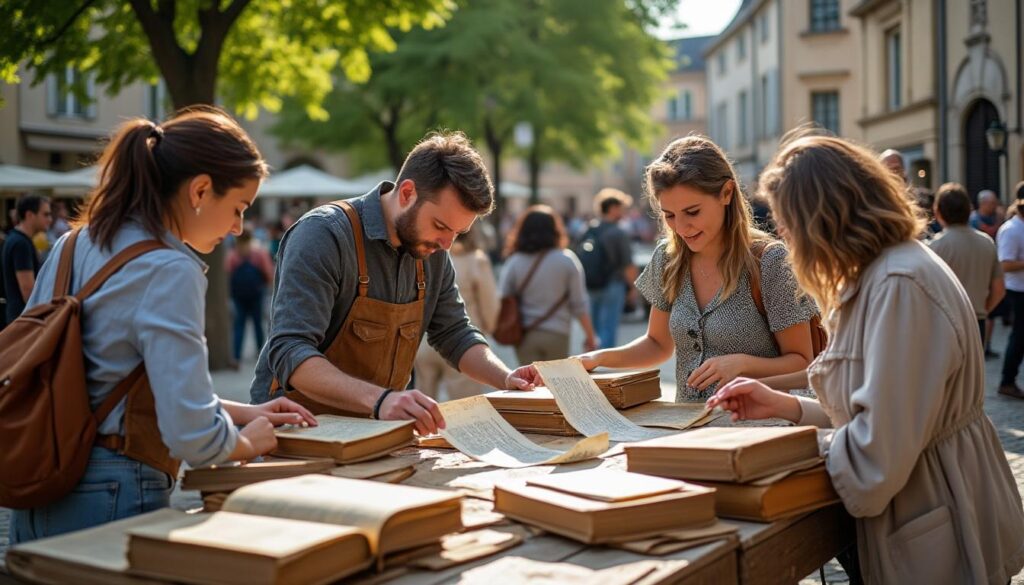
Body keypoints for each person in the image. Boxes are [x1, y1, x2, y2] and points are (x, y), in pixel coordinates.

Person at [707, 134, 1024, 584]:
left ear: (821, 219)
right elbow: (877, 409)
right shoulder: (886, 271)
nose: (785, 238)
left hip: (937, 518)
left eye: (787, 223)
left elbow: (876, 458)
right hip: (932, 506)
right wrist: (787, 406)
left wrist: (785, 451)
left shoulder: (899, 285)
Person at [9, 108, 315, 545]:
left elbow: (111, 382)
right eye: (238, 208)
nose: (237, 228)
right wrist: (247, 441)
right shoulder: (170, 268)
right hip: (114, 487)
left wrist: (245, 412)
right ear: (201, 190)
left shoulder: (71, 243)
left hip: (40, 481)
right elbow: (192, 436)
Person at [249, 132, 539, 435]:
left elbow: (454, 333)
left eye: (457, 233)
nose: (447, 244)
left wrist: (506, 378)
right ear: (407, 193)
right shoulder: (323, 235)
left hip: (376, 431)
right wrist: (380, 400)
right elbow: (290, 349)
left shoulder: (434, 251)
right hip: (297, 431)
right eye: (440, 226)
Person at [577, 135, 818, 402]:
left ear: (726, 193)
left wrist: (742, 364)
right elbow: (657, 344)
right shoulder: (667, 257)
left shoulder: (770, 261)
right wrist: (598, 357)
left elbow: (802, 363)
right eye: (669, 215)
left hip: (758, 422)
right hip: (687, 422)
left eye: (692, 212)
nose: (681, 227)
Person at [500, 205, 598, 363]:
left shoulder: (514, 261)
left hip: (525, 335)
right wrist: (590, 337)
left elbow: (504, 297)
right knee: (556, 378)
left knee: (530, 379)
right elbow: (579, 304)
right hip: (558, 333)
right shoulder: (567, 260)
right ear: (555, 229)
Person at [414, 224, 500, 400]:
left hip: (424, 341)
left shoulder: (429, 256)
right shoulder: (477, 260)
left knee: (422, 404)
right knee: (465, 406)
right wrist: (489, 328)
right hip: (463, 344)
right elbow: (489, 303)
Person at [928, 182, 1004, 346]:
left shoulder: (934, 247)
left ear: (938, 211)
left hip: (945, 323)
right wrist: (983, 310)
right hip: (977, 320)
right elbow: (999, 289)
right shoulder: (987, 242)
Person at [578, 189, 638, 349]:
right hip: (613, 284)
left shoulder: (588, 229)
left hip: (591, 284)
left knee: (594, 327)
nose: (624, 212)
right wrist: (633, 288)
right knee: (609, 327)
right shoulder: (618, 232)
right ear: (613, 208)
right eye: (622, 208)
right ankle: (605, 359)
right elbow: (627, 264)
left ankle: (592, 356)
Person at [2, 194, 52, 325]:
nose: (50, 219)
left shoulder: (16, 238)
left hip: (18, 319)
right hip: (23, 322)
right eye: (45, 214)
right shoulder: (21, 243)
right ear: (30, 215)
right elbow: (28, 292)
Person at [226, 230, 275, 362]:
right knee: (258, 324)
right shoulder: (258, 253)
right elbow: (268, 272)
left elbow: (228, 273)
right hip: (256, 294)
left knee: (239, 324)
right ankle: (260, 353)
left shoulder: (233, 254)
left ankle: (236, 355)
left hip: (238, 296)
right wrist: (270, 288)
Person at [998, 181, 1024, 398]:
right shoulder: (1011, 230)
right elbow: (1005, 265)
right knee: (1019, 337)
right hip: (1018, 291)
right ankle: (1007, 381)